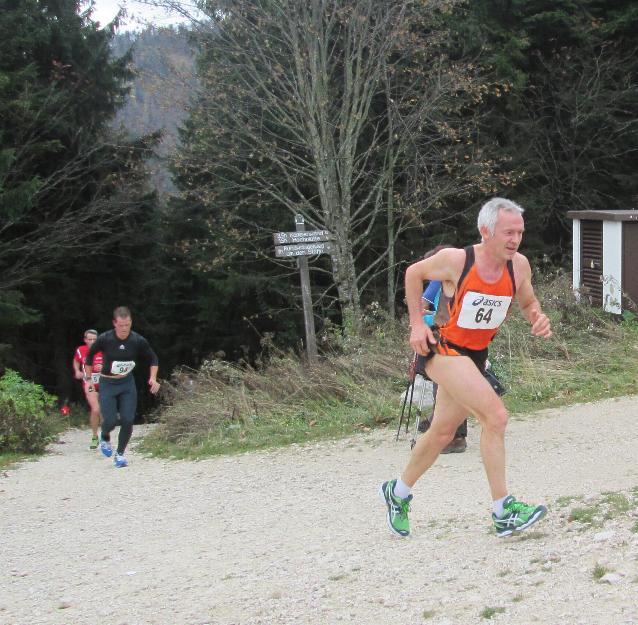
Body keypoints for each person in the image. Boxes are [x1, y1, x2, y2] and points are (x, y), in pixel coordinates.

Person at [380, 198, 552, 538]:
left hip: (474, 356)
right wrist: (416, 324)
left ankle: (397, 492)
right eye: (508, 232)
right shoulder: (457, 260)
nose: (515, 240)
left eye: (519, 232)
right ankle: (503, 511)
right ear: (485, 231)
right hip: (443, 350)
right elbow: (413, 273)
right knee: (495, 417)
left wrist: (537, 317)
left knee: (443, 433)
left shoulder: (519, 266)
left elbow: (528, 300)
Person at [85, 307, 160, 468]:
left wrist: (153, 378)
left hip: (126, 383)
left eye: (127, 325)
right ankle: (105, 436)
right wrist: (89, 379)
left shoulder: (137, 340)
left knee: (127, 420)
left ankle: (119, 454)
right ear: (114, 323)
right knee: (110, 420)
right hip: (107, 383)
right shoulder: (105, 339)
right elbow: (89, 357)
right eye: (121, 325)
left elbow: (153, 358)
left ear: (131, 322)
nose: (124, 328)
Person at [417, 245, 468, 453]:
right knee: (452, 387)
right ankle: (446, 430)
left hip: (450, 340)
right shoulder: (460, 278)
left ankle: (452, 437)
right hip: (462, 339)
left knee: (448, 387)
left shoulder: (442, 281)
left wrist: (423, 320)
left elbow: (438, 314)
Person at [72, 329, 104, 449]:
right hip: (89, 383)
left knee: (104, 410)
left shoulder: (104, 350)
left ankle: (105, 436)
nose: (92, 342)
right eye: (89, 339)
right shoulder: (81, 350)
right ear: (85, 340)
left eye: (94, 340)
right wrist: (77, 371)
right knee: (95, 409)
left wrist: (103, 367)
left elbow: (113, 365)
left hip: (105, 383)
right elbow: (76, 360)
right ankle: (95, 437)